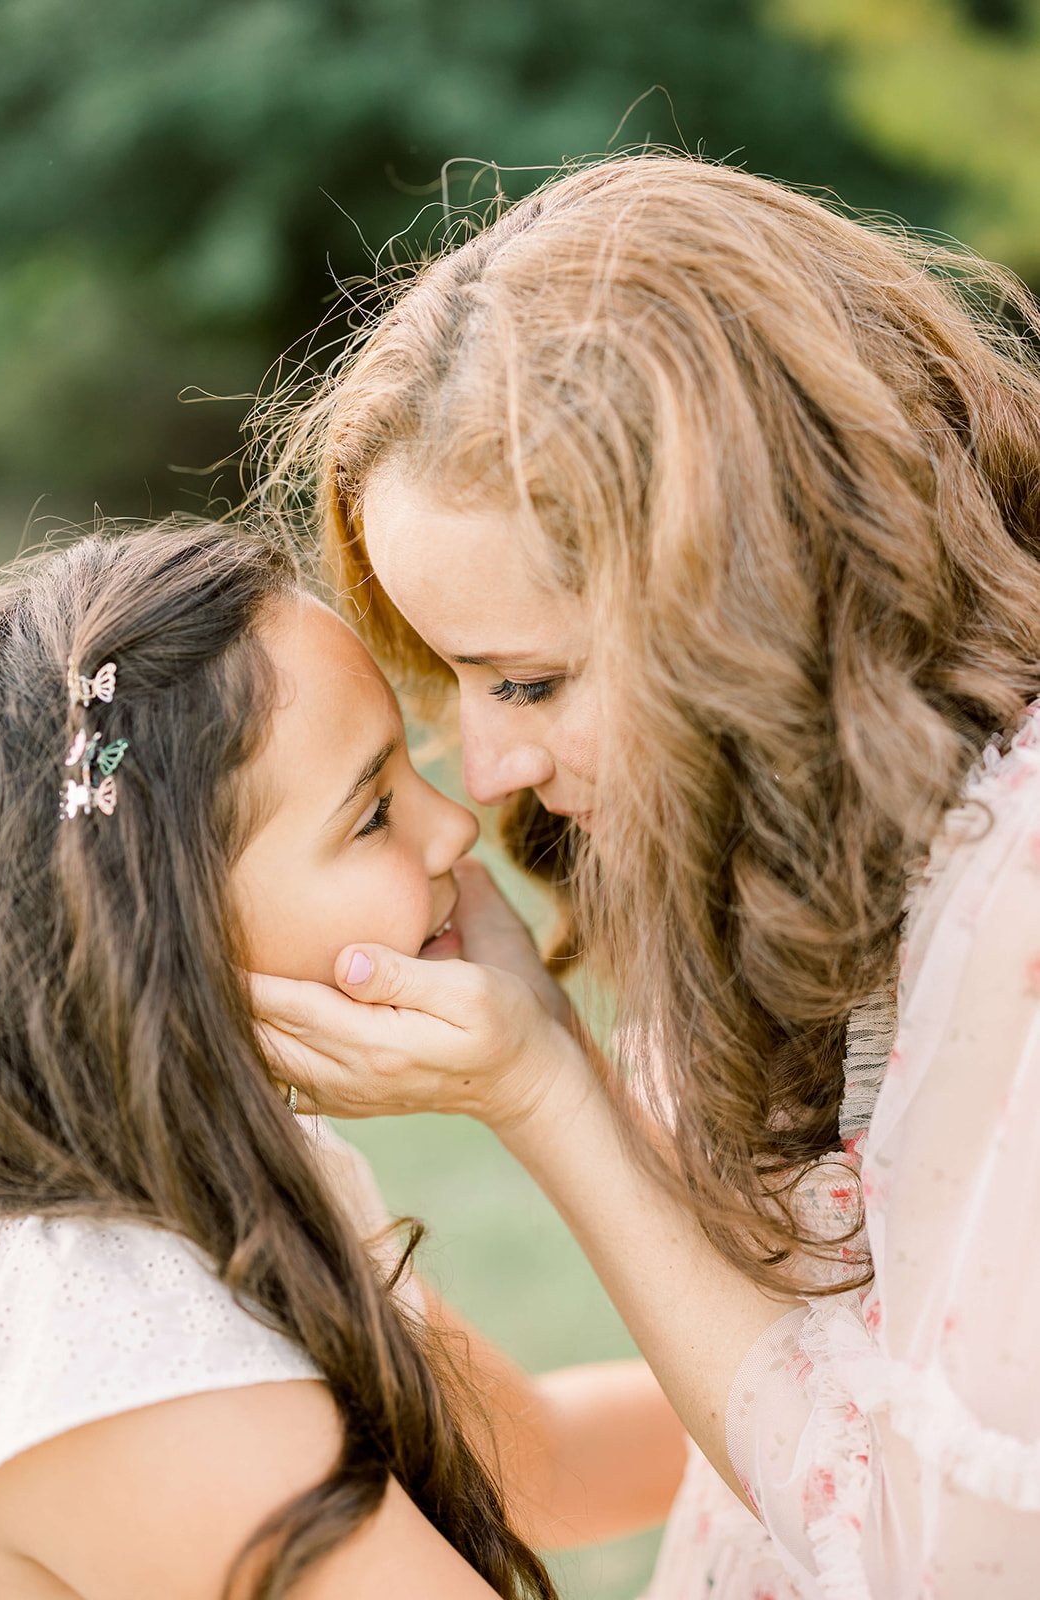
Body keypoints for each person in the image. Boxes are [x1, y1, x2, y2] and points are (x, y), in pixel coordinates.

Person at [253, 154, 1040, 1596]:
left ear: (745, 590)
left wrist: (547, 1093)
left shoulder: (1016, 890)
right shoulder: (775, 830)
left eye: (529, 681)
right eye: (457, 683)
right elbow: (790, 1385)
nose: (482, 776)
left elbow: (946, 1562)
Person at [0, 521, 687, 1600]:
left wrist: (907, 1425)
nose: (456, 826)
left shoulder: (200, 1183)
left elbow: (538, 1462)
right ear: (164, 937)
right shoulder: (119, 1339)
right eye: (373, 812)